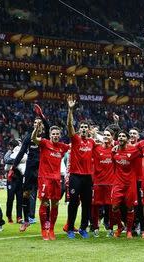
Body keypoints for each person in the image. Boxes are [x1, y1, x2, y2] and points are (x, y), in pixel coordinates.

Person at [12, 104, 50, 232]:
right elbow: (22, 151)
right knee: (26, 194)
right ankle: (26, 220)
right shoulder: (29, 136)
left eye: (39, 123)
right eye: (35, 122)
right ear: (33, 125)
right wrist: (13, 167)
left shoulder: (46, 137)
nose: (37, 124)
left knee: (45, 196)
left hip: (43, 169)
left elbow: (49, 127)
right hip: (30, 168)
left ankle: (47, 221)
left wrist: (42, 116)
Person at [32, 123, 70, 240]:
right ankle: (44, 230)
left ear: (60, 135)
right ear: (50, 135)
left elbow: (74, 145)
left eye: (57, 134)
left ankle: (52, 229)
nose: (55, 136)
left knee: (55, 204)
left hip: (57, 179)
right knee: (44, 203)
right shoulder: (44, 143)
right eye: (53, 134)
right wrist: (36, 129)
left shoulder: (62, 147)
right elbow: (33, 139)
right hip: (44, 178)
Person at [65, 96, 96, 239]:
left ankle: (83, 228)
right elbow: (69, 126)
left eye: (85, 128)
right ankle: (70, 228)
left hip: (88, 178)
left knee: (87, 204)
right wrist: (70, 110)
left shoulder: (92, 142)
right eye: (81, 127)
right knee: (73, 203)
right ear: (79, 130)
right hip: (75, 176)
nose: (83, 129)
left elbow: (106, 145)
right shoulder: (75, 139)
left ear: (89, 130)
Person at [111, 130, 143, 238]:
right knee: (114, 207)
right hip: (118, 184)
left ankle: (129, 230)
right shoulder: (114, 152)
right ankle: (120, 227)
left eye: (123, 136)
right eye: (119, 136)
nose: (121, 137)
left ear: (127, 139)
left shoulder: (133, 151)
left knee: (130, 208)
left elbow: (143, 149)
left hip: (130, 184)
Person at [90, 128, 115, 237]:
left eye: (108, 135)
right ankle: (95, 228)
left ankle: (110, 228)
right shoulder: (96, 148)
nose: (105, 136)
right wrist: (94, 134)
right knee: (95, 206)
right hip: (98, 183)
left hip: (110, 183)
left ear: (112, 137)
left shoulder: (115, 149)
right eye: (104, 135)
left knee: (110, 207)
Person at [4, 139, 25, 224]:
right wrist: (17, 161)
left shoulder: (21, 153)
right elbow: (6, 160)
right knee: (10, 198)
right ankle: (9, 216)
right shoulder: (9, 154)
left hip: (19, 178)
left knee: (20, 198)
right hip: (11, 179)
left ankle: (19, 217)